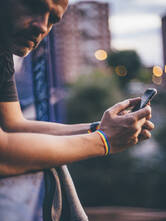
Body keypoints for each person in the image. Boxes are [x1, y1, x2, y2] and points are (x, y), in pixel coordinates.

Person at [0, 0, 154, 177]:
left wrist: (100, 128)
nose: (42, 27)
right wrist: (104, 140)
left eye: (52, 20)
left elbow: (12, 125)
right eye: (33, 6)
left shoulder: (3, 53)